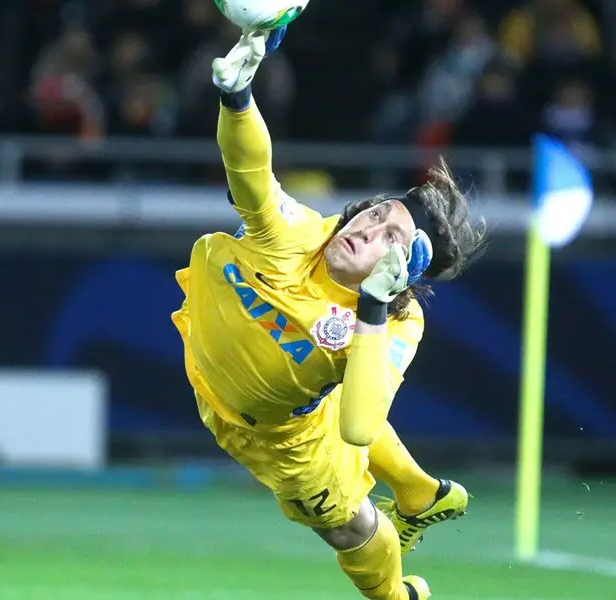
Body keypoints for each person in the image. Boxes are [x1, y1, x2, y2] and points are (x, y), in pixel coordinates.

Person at [170, 27, 486, 600]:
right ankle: (421, 491)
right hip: (222, 366)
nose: (368, 230)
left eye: (390, 236)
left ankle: (397, 595)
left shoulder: (395, 320)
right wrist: (238, 97)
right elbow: (251, 172)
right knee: (335, 367)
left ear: (402, 271)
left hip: (283, 437)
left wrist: (370, 309)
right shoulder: (297, 234)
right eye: (377, 214)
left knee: (350, 526)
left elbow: (360, 425)